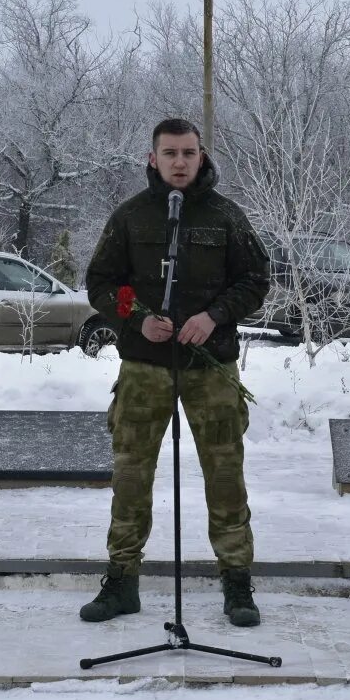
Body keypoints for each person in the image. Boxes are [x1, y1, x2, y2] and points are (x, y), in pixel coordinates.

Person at [81, 118, 271, 627]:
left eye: (189, 153)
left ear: (202, 155)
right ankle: (122, 580)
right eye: (170, 154)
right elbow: (100, 282)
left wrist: (213, 317)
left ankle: (237, 580)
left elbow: (256, 280)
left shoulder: (227, 216)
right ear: (153, 158)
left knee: (225, 473)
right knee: (131, 473)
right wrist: (137, 318)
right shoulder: (130, 218)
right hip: (145, 368)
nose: (181, 162)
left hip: (211, 367)